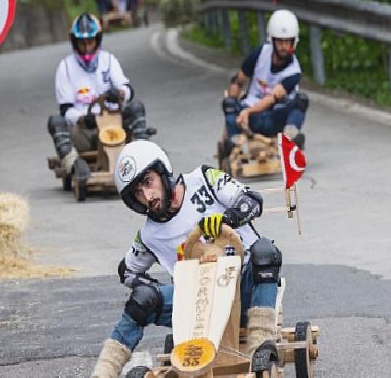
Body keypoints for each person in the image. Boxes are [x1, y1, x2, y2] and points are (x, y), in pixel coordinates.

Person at [91, 141, 283, 377]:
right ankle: (103, 372)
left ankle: (260, 348)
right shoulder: (148, 235)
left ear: (162, 172)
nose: (147, 196)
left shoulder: (204, 179)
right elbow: (127, 273)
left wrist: (227, 220)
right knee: (142, 299)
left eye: (148, 182)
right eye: (138, 193)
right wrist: (160, 292)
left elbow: (251, 201)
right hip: (196, 301)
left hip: (241, 286)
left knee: (265, 251)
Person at [48, 13, 150, 183]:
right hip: (85, 131)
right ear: (75, 42)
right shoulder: (65, 66)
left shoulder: (108, 60)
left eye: (90, 42)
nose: (87, 47)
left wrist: (119, 93)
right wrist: (81, 118)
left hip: (114, 125)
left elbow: (128, 89)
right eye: (82, 43)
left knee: (136, 107)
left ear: (97, 40)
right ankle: (75, 164)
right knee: (55, 121)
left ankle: (144, 157)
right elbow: (65, 109)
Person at [222, 9, 309, 152]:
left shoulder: (294, 71)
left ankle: (290, 136)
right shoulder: (259, 54)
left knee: (301, 100)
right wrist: (231, 109)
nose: (284, 47)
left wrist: (247, 112)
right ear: (272, 40)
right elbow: (238, 81)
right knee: (229, 103)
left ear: (294, 42)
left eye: (288, 42)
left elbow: (271, 99)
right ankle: (235, 142)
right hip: (253, 117)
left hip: (277, 117)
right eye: (280, 42)